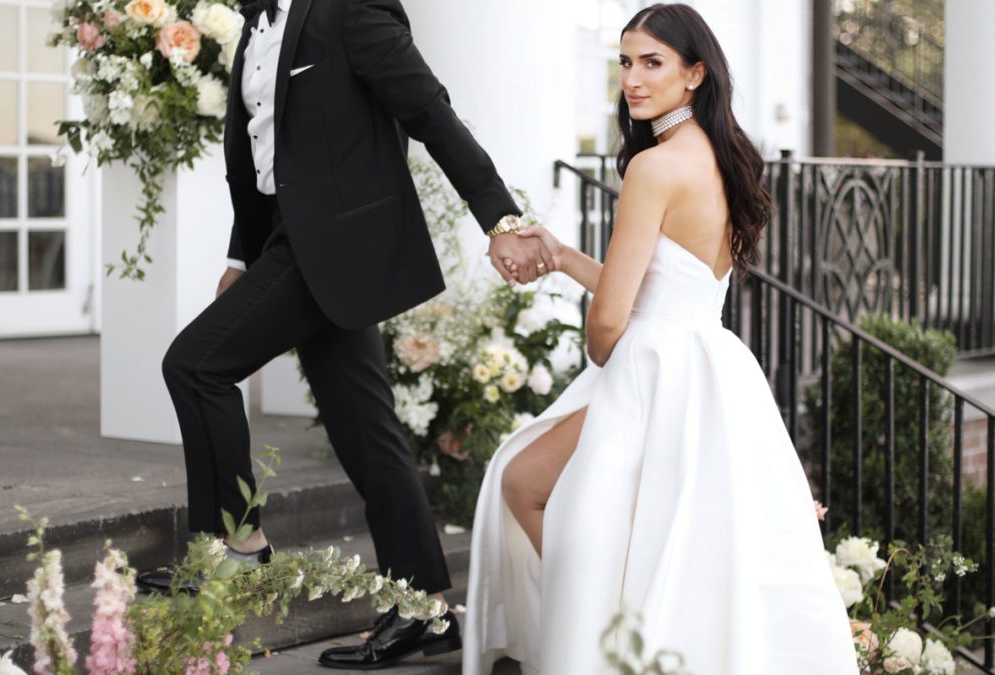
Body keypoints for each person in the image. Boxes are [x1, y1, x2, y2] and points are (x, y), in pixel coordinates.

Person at [150, 0, 553, 669]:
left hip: (336, 244)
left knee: (195, 365)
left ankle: (238, 549)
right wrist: (241, 258)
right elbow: (262, 155)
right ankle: (424, 608)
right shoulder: (254, 26)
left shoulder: (350, 10)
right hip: (286, 243)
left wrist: (501, 220)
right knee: (367, 431)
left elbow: (430, 112)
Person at [463, 4, 860, 674]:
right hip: (708, 366)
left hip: (648, 371)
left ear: (694, 73)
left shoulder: (653, 167)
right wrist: (562, 256)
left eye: (653, 62)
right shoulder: (724, 159)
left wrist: (605, 358)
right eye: (625, 62)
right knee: (640, 530)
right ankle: (615, 640)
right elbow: (664, 289)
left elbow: (610, 322)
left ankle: (596, 642)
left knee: (535, 486)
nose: (633, 79)